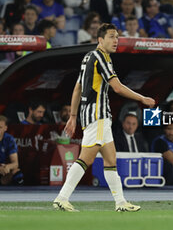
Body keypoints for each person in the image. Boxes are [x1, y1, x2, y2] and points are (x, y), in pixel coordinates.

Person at [53, 23, 155, 212]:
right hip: (97, 115)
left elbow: (77, 88)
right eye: (111, 36)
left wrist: (74, 115)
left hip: (95, 116)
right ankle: (62, 197)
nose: (116, 40)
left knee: (110, 161)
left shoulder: (88, 57)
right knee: (86, 159)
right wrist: (142, 98)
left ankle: (121, 203)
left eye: (117, 36)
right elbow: (117, 87)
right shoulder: (101, 58)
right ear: (100, 40)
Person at [0, 115, 24, 185]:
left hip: (3, 170)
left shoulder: (9, 139)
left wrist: (7, 167)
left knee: (17, 173)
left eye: (0, 128)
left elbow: (15, 163)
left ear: (5, 128)